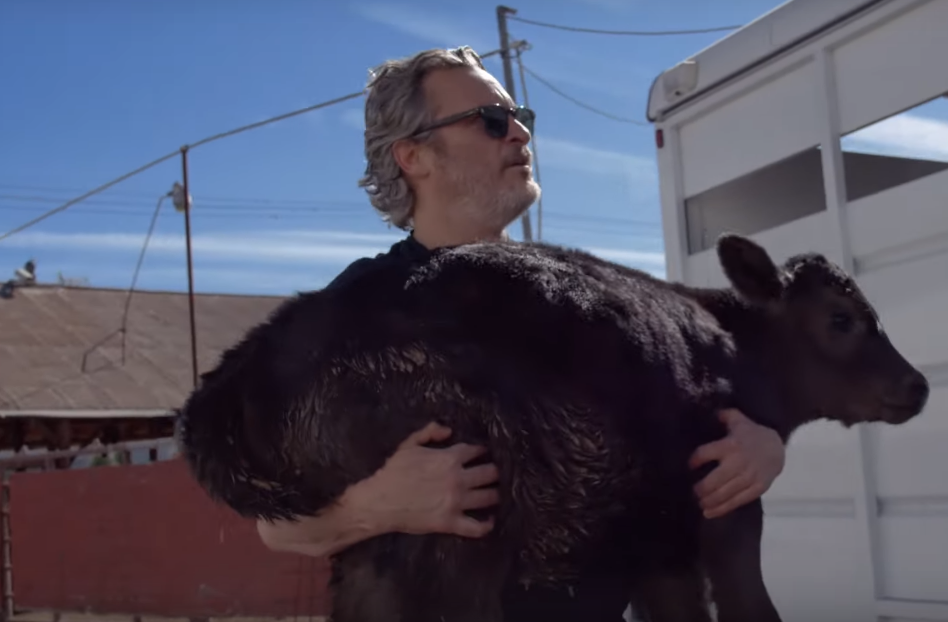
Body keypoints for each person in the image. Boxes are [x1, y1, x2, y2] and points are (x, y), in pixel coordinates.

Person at [253, 46, 788, 618]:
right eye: (490, 120)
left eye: (519, 117)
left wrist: (763, 445)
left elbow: (693, 421)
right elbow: (275, 525)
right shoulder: (353, 314)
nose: (519, 135)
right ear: (414, 156)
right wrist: (381, 506)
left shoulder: (584, 296)